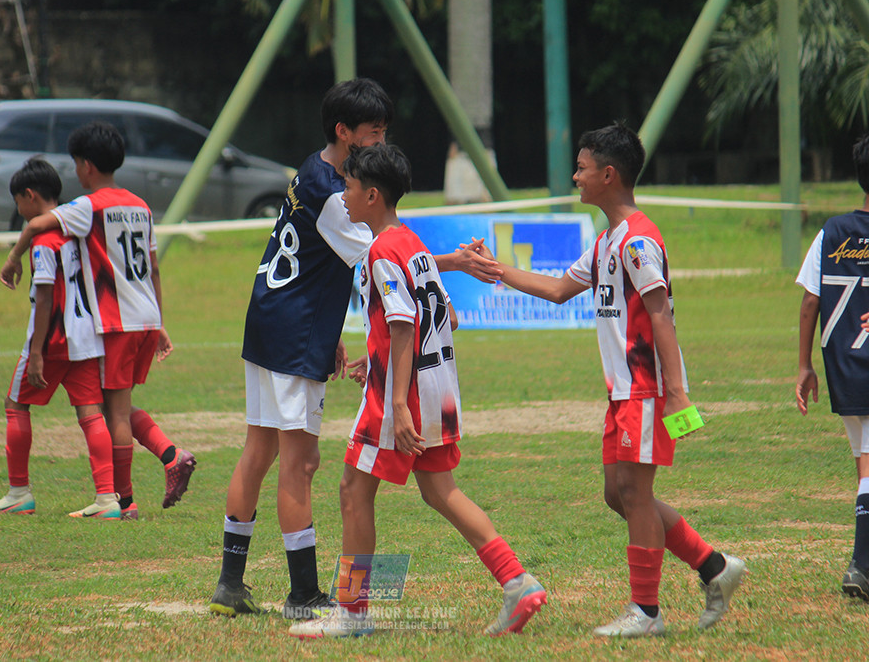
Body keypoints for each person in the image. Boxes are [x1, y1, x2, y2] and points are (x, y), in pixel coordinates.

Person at [210, 78, 503, 621]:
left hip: (271, 319)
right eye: (373, 131)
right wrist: (453, 267)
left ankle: (236, 584)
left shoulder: (313, 169)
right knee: (309, 466)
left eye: (384, 131)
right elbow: (390, 258)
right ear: (344, 132)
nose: (380, 140)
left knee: (269, 453)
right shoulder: (340, 200)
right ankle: (311, 597)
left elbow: (380, 265)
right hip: (304, 338)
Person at [467, 122, 745, 637]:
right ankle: (714, 566)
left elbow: (660, 315)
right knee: (618, 494)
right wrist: (494, 268)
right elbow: (557, 290)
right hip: (622, 392)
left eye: (582, 168)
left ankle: (647, 612)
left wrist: (676, 393)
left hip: (645, 389)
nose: (575, 177)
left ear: (609, 174)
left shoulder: (637, 241)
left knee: (634, 494)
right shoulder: (607, 242)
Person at [287, 144, 547, 639]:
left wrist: (397, 402)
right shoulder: (413, 244)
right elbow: (446, 317)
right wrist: (377, 355)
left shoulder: (382, 251)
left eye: (348, 187)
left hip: (401, 398)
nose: (343, 196)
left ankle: (353, 613)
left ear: (371, 195)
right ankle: (517, 581)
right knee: (440, 490)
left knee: (353, 490)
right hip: (438, 390)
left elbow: (405, 325)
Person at [0, 122, 195, 519]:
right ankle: (164, 458)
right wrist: (159, 321)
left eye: (76, 163)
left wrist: (13, 256)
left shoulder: (90, 206)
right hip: (145, 315)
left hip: (117, 321)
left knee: (114, 413)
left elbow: (38, 224)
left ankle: (125, 499)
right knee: (113, 405)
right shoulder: (141, 206)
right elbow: (153, 267)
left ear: (86, 165)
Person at [0, 157, 118, 519]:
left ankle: (18, 493)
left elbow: (45, 296)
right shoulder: (77, 229)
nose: (19, 210)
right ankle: (107, 499)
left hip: (54, 339)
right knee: (91, 412)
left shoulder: (43, 240)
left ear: (29, 195)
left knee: (15, 405)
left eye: (18, 202)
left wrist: (37, 352)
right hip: (85, 336)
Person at [798, 134, 869, 603]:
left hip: (844, 367)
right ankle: (860, 566)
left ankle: (863, 564)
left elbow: (810, 301)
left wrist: (804, 365)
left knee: (865, 465)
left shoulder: (832, 232)